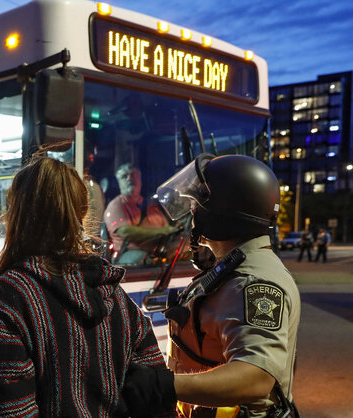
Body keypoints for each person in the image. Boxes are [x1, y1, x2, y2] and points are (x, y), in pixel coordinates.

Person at [0, 156, 171, 416]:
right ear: (81, 213)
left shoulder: (7, 299)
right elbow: (157, 393)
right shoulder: (115, 295)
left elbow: (13, 411)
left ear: (16, 214)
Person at [125, 154, 301, 418]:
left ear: (223, 213)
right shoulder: (231, 270)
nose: (192, 217)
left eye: (197, 208)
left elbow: (255, 377)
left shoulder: (253, 282)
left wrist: (163, 384)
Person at [103, 163, 176, 265]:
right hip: (130, 256)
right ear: (119, 182)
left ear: (140, 180)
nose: (130, 179)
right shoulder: (116, 206)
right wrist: (163, 231)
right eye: (125, 176)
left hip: (159, 253)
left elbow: (169, 230)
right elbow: (125, 232)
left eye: (133, 175)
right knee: (148, 262)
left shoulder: (151, 205)